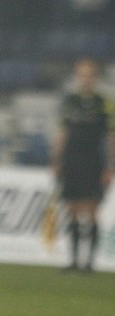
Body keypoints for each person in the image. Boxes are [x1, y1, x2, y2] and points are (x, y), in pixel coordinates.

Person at [51, 59, 113, 272]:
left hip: (94, 161)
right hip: (72, 160)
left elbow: (110, 136)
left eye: (89, 75)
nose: (85, 78)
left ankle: (90, 262)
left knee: (92, 210)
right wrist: (57, 160)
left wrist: (109, 165)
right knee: (72, 209)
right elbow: (63, 133)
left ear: (95, 78)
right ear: (77, 77)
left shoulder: (103, 102)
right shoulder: (69, 101)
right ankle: (75, 260)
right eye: (81, 74)